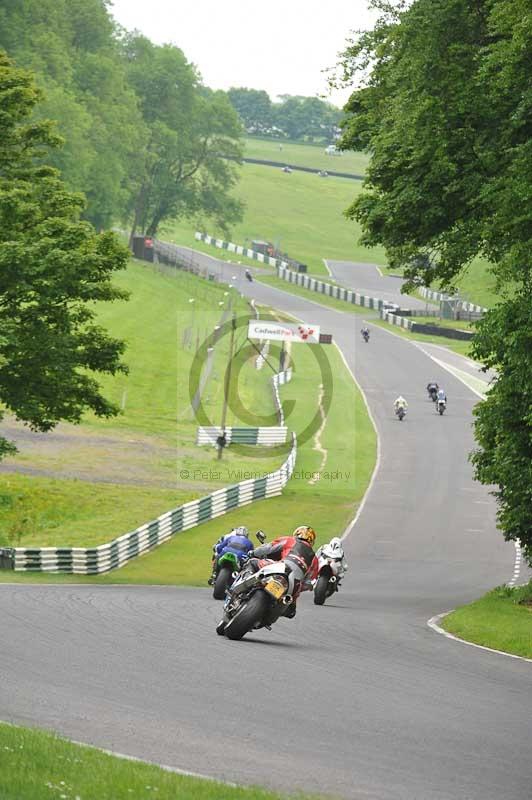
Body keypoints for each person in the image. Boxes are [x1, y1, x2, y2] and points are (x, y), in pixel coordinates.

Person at [246, 525, 319, 618]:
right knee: (291, 611)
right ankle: (267, 616)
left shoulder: (290, 540)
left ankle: (241, 587)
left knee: (252, 563)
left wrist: (253, 553)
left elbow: (269, 547)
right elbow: (310, 583)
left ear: (297, 533)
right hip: (294, 585)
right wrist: (300, 587)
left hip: (280, 568)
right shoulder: (315, 559)